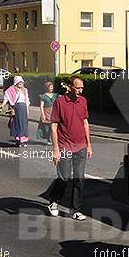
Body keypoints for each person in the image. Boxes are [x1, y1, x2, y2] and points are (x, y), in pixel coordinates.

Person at [46, 76, 92, 221]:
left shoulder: (83, 101)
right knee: (64, 177)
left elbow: (85, 123)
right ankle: (54, 202)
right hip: (65, 145)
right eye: (78, 87)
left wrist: (89, 144)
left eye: (82, 87)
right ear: (70, 87)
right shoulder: (60, 102)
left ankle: (75, 210)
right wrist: (55, 149)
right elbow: (54, 126)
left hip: (81, 146)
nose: (80, 90)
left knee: (79, 179)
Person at [0, 76, 30, 147]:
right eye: (19, 82)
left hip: (23, 108)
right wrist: (2, 105)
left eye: (22, 82)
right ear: (16, 82)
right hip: (16, 108)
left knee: (23, 124)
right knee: (17, 124)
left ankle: (22, 140)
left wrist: (27, 109)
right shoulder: (11, 90)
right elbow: (6, 98)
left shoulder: (25, 90)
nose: (21, 83)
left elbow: (27, 100)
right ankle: (18, 140)